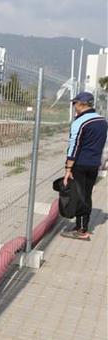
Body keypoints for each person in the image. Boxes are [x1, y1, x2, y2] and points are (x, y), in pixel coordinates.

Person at [61, 92, 107, 240]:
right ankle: (82, 226)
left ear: (82, 104)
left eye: (75, 103)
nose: (74, 106)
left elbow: (74, 146)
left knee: (80, 196)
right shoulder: (102, 120)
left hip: (80, 164)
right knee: (86, 194)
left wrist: (68, 168)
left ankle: (81, 230)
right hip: (94, 164)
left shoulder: (79, 122)